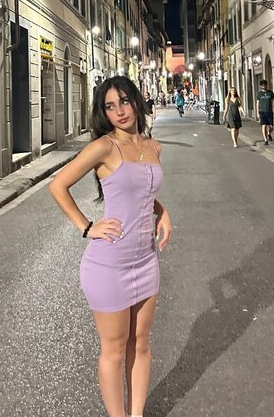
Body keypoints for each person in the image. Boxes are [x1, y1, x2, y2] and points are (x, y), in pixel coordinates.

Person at [49, 75, 172, 417]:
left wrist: (162, 210)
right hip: (109, 264)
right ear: (103, 113)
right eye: (110, 106)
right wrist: (87, 227)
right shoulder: (104, 147)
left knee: (141, 343)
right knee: (114, 349)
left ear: (136, 101)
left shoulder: (153, 147)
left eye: (124, 101)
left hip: (146, 260)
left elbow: (141, 191)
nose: (119, 111)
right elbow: (58, 185)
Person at [256, 79, 274, 145]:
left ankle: (269, 133)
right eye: (263, 85)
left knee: (271, 126)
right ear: (261, 86)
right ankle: (265, 140)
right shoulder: (259, 94)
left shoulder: (270, 93)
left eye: (265, 85)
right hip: (262, 112)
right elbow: (257, 103)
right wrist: (257, 112)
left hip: (269, 111)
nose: (264, 86)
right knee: (264, 125)